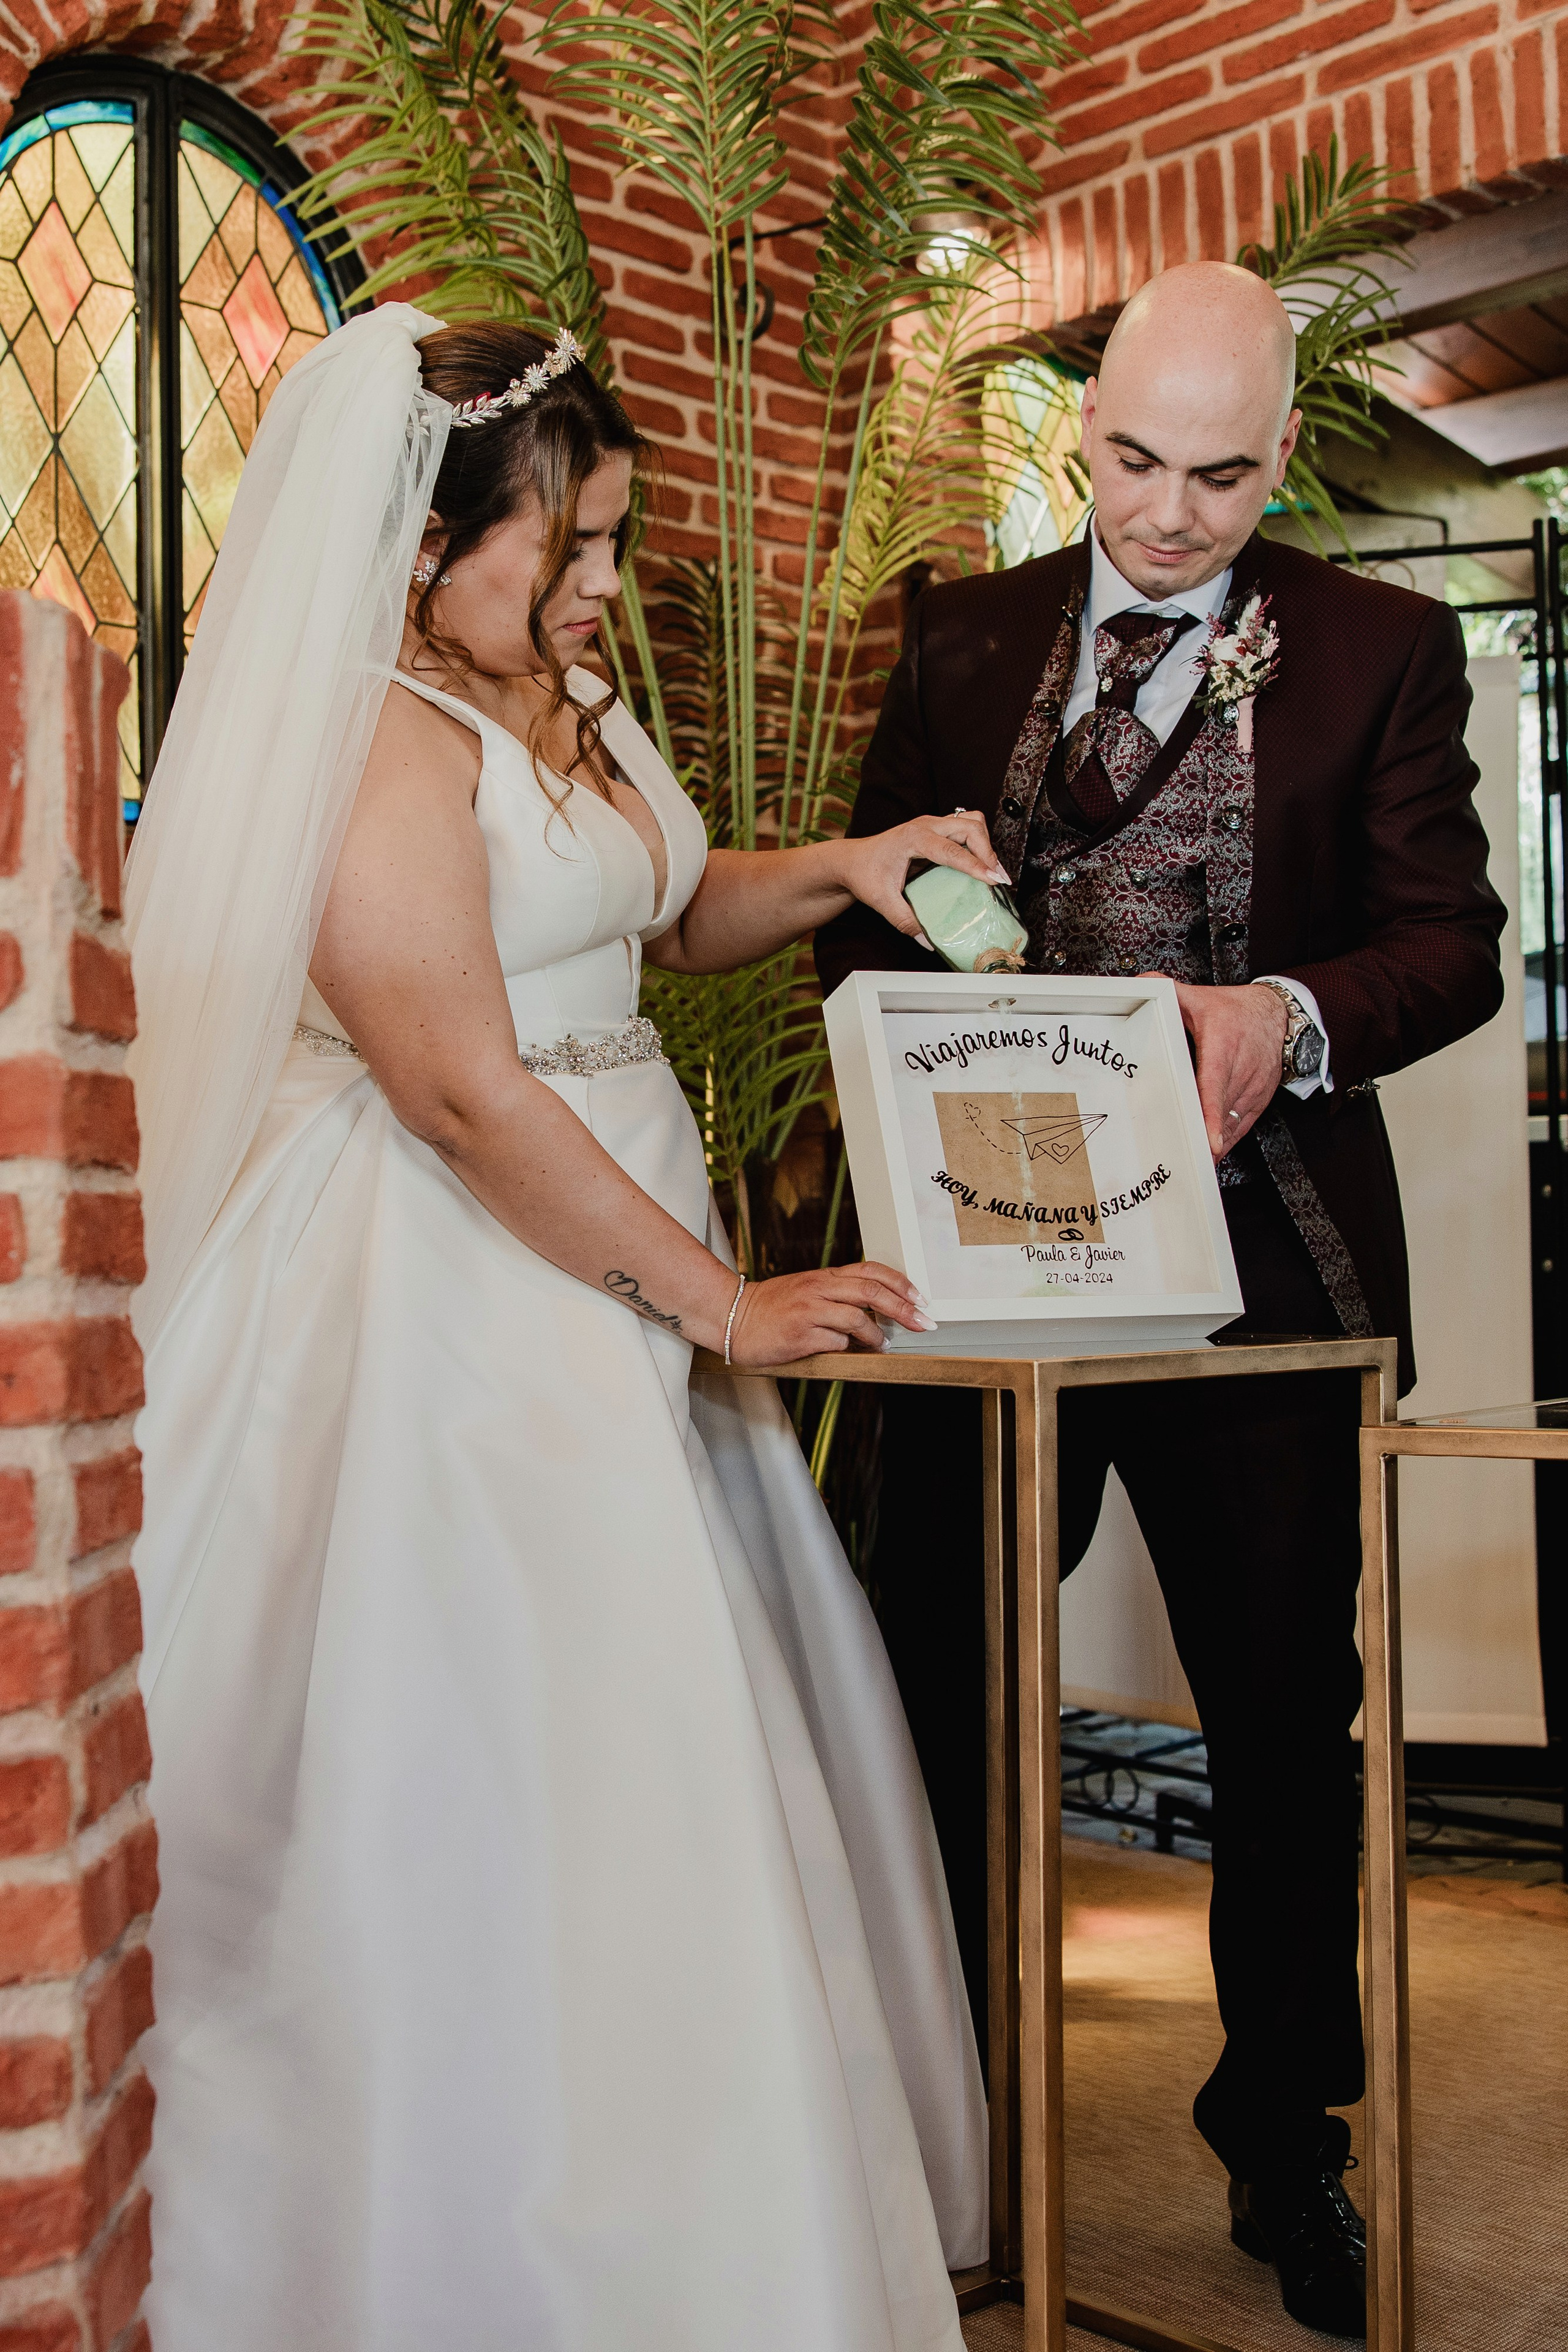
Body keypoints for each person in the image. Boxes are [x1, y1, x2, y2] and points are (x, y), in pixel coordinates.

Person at [126, 305, 1004, 2351]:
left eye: (611, 537)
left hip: (619, 1246)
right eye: (569, 544)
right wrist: (726, 1303)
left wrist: (847, 870)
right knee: (504, 1747)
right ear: (428, 543)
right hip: (452, 1283)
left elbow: (658, 912)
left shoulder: (562, 694)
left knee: (677, 1752)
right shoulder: (372, 742)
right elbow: (458, 1088)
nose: (605, 582)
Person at [816, 260, 1506, 2339]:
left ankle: (1286, 2137)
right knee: (937, 1690)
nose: (1168, 513)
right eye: (1130, 461)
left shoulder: (1382, 645)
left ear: (1283, 453)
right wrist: (936, 965)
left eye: (1219, 476)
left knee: (1288, 1725)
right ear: (1085, 426)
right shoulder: (961, 634)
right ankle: (942, 2131)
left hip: (1262, 1276)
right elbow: (852, 929)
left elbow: (1450, 944)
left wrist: (1283, 1012)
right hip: (980, 1264)